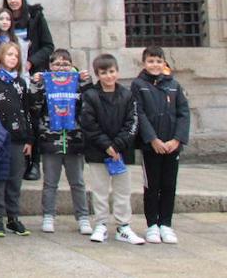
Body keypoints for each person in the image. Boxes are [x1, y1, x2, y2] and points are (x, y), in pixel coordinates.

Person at [81, 53, 144, 245]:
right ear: (97, 74)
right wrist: (106, 145)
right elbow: (88, 123)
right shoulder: (90, 95)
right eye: (104, 73)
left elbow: (132, 122)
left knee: (122, 189)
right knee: (99, 189)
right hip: (97, 150)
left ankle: (123, 226)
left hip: (121, 151)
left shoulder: (127, 95)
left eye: (112, 71)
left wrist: (117, 145)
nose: (109, 76)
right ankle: (100, 223)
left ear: (117, 72)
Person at [131, 45, 190, 244]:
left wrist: (177, 139)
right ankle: (152, 225)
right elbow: (139, 114)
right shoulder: (139, 85)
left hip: (172, 146)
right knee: (152, 185)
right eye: (150, 61)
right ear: (144, 63)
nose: (154, 65)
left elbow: (183, 113)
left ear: (164, 63)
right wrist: (152, 139)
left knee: (169, 185)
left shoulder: (174, 85)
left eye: (158, 61)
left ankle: (166, 224)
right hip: (152, 146)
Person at [30, 49, 91, 235]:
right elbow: (34, 107)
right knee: (50, 182)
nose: (61, 68)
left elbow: (88, 106)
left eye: (65, 64)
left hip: (74, 139)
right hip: (50, 138)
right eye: (57, 64)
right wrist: (36, 85)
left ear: (72, 66)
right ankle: (48, 215)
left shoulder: (78, 83)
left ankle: (83, 217)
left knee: (78, 182)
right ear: (49, 66)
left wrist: (85, 83)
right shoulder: (45, 83)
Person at [3, 0, 56, 181]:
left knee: (33, 116)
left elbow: (48, 46)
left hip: (31, 74)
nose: (13, 1)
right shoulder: (4, 20)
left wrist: (31, 61)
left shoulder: (36, 18)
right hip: (10, 76)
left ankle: (34, 162)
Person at [0, 41, 34, 237]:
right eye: (9, 54)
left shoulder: (20, 83)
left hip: (18, 137)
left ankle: (13, 217)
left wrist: (29, 138)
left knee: (15, 178)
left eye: (15, 55)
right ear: (1, 57)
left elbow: (26, 111)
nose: (12, 58)